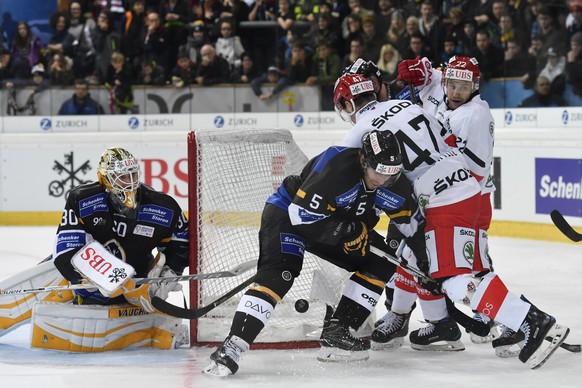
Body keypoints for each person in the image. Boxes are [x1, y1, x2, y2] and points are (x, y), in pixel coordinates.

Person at [334, 72, 569, 369]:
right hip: (466, 188)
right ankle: (451, 323)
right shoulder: (410, 107)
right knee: (417, 258)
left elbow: (351, 177)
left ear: (346, 104)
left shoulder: (359, 131)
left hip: (443, 200)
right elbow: (446, 140)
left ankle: (532, 322)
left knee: (456, 282)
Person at [203, 129, 422, 377]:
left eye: (390, 174)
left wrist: (432, 266)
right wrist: (349, 231)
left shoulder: (393, 183)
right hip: (288, 215)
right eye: (378, 171)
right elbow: (301, 216)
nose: (382, 180)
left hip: (334, 225)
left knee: (382, 262)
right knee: (280, 275)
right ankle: (232, 347)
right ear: (364, 161)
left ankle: (338, 333)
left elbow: (413, 226)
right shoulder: (336, 167)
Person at [0, 147, 189, 351]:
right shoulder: (82, 199)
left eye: (133, 174)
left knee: (66, 331)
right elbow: (66, 251)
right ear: (105, 177)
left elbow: (181, 243)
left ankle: (155, 329)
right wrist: (102, 277)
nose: (130, 181)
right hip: (88, 277)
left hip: (135, 286)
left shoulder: (163, 206)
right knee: (53, 278)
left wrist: (168, 275)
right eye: (123, 176)